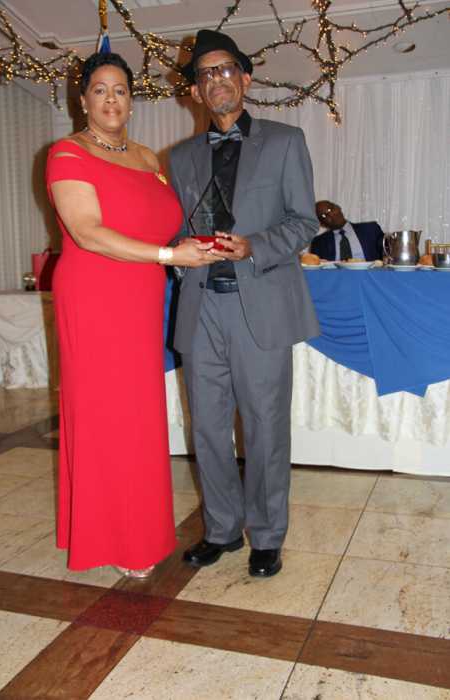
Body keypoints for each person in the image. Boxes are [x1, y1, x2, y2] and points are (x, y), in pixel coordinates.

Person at [46, 52, 221, 578]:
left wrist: (195, 245)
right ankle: (114, 539)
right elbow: (88, 233)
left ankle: (138, 529)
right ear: (83, 100)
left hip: (142, 296)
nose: (111, 99)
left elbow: (161, 223)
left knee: (139, 415)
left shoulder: (148, 158)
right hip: (95, 294)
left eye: (120, 90)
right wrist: (169, 256)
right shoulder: (67, 153)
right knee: (106, 414)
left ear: (132, 100)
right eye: (99, 90)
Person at [169, 30, 319, 578]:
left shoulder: (285, 141)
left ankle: (268, 535)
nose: (216, 80)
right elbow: (174, 228)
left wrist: (255, 245)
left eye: (225, 69)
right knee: (208, 428)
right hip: (201, 306)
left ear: (245, 79)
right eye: (205, 73)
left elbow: (303, 222)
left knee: (264, 426)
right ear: (195, 91)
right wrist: (175, 252)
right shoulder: (180, 157)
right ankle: (222, 529)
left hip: (261, 304)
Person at [311, 200, 384, 261]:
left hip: (369, 273)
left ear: (338, 207)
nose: (330, 215)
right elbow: (316, 268)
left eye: (330, 209)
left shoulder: (370, 229)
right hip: (336, 274)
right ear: (322, 224)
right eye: (324, 216)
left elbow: (387, 251)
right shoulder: (319, 242)